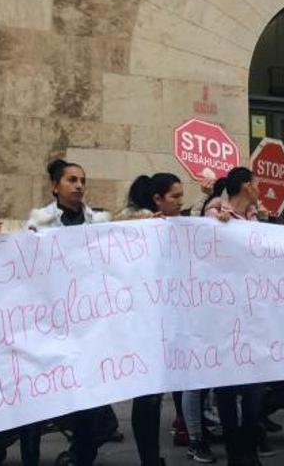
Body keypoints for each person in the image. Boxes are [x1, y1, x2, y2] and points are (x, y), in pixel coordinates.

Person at [25, 158, 117, 466]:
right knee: (39, 401)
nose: (79, 185)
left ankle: (81, 456)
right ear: (55, 187)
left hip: (88, 325)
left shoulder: (100, 222)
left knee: (88, 401)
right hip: (50, 323)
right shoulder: (38, 223)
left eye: (82, 180)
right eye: (71, 180)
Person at [114, 172, 189, 466]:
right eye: (175, 197)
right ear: (157, 199)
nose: (181, 203)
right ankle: (149, 458)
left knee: (155, 395)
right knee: (147, 396)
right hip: (142, 325)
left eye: (182, 197)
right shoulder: (138, 226)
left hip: (166, 322)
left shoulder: (177, 225)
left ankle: (152, 456)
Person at [203, 167, 266, 466]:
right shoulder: (215, 213)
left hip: (254, 311)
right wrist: (220, 228)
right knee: (227, 385)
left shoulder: (258, 218)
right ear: (245, 185)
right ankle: (233, 447)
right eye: (256, 183)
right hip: (224, 312)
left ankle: (250, 443)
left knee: (255, 384)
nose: (260, 187)